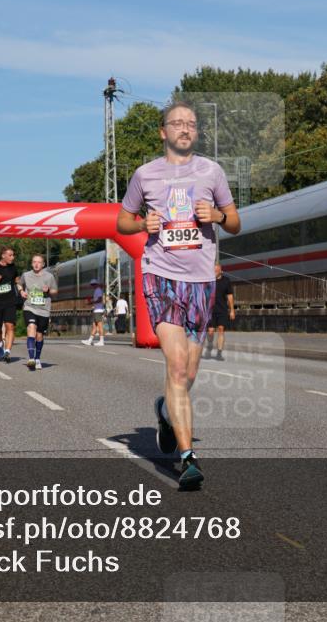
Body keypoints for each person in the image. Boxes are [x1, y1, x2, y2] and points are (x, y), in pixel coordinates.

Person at [116, 101, 240, 490]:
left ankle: (166, 412)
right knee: (175, 365)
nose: (185, 129)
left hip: (202, 281)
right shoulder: (145, 175)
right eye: (177, 123)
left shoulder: (212, 172)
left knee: (187, 374)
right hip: (161, 276)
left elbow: (235, 222)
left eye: (191, 124)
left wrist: (218, 217)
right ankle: (187, 459)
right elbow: (121, 220)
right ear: (163, 132)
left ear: (196, 133)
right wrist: (141, 222)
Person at [19, 254, 58, 370]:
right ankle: (31, 358)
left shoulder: (49, 277)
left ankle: (37, 358)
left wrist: (49, 290)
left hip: (44, 310)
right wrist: (21, 291)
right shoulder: (26, 275)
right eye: (34, 262)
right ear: (31, 263)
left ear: (43, 264)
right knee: (31, 327)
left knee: (39, 335)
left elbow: (55, 291)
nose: (36, 264)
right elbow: (19, 283)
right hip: (29, 307)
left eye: (39, 262)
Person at [204, 264, 235, 360]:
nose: (214, 273)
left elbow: (230, 296)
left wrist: (232, 310)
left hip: (222, 310)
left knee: (221, 329)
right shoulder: (209, 281)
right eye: (213, 271)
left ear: (221, 271)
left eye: (216, 271)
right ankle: (209, 346)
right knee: (210, 331)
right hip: (210, 310)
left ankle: (219, 353)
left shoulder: (226, 281)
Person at [82, 280, 106, 346]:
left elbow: (100, 299)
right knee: (94, 326)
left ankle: (101, 341)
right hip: (96, 310)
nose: (92, 286)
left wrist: (91, 302)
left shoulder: (98, 290)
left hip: (98, 310)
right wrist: (92, 302)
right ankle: (89, 341)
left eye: (92, 285)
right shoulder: (97, 290)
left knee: (100, 326)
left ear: (95, 284)